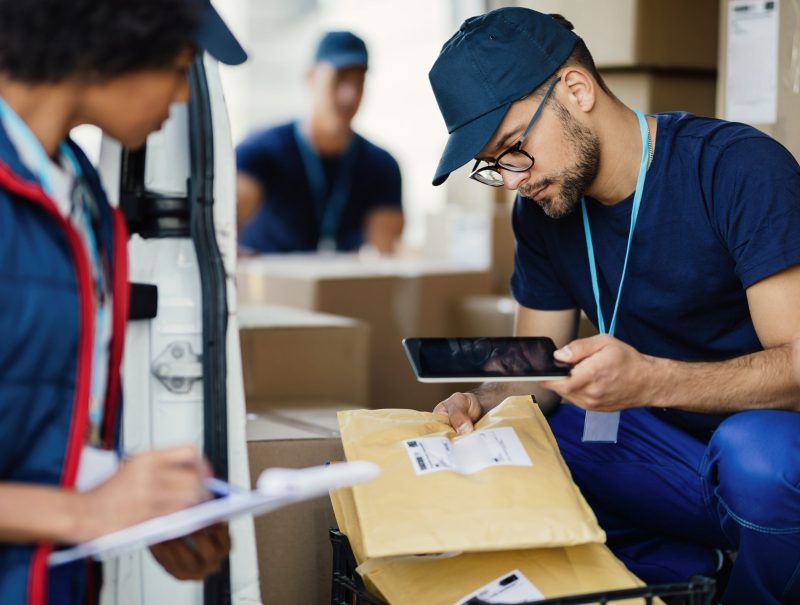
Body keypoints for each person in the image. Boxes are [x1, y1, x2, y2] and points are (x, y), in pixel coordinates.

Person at [428, 8, 800, 605]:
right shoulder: (543, 210)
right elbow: (534, 371)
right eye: (492, 167)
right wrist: (482, 401)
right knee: (530, 437)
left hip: (759, 457)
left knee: (760, 455)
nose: (513, 179)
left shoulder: (737, 168)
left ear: (576, 90)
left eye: (513, 148)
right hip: (659, 454)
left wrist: (651, 380)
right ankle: (688, 573)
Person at [0, 0, 247, 602]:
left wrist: (135, 499)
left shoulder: (79, 198)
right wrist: (81, 514)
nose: (182, 95)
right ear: (115, 39)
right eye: (179, 63)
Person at [236, 30, 404, 254]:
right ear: (312, 77)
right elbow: (222, 225)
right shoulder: (261, 151)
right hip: (273, 285)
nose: (350, 95)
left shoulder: (382, 165)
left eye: (359, 81)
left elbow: (385, 253)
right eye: (339, 78)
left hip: (341, 287)